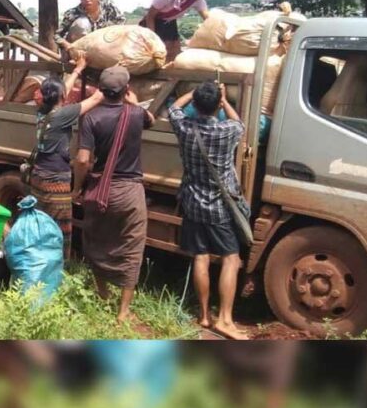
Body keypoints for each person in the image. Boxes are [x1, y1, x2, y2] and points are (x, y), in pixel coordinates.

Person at [72, 65, 155, 323]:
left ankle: (102, 293)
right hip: (130, 191)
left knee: (96, 242)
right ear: (126, 90)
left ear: (100, 90)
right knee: (132, 247)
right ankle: (123, 311)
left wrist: (77, 187)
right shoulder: (137, 114)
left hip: (101, 190)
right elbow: (150, 120)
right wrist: (136, 102)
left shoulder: (91, 119)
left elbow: (83, 159)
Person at [169, 81, 248, 339]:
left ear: (196, 104)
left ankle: (204, 315)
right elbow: (239, 123)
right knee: (231, 258)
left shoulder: (184, 128)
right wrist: (224, 99)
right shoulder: (227, 131)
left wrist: (192, 94)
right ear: (217, 106)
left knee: (200, 257)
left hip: (192, 203)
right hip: (218, 208)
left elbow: (172, 109)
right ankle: (225, 319)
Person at [30, 55, 105, 259]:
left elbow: (62, 89)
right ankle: (57, 263)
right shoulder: (63, 115)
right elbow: (97, 98)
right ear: (61, 97)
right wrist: (113, 75)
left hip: (38, 174)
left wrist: (78, 69)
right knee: (60, 224)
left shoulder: (43, 112)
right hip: (55, 179)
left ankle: (37, 255)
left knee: (42, 218)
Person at [140, 0, 216, 61]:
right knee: (153, 53)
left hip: (169, 24)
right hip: (152, 24)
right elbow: (150, 16)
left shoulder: (198, 0)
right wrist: (152, 37)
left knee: (174, 53)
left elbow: (207, 17)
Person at [57, 0, 125, 47]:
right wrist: (69, 47)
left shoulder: (109, 7)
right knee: (81, 24)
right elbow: (57, 36)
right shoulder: (72, 14)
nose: (87, 0)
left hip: (105, 47)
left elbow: (122, 24)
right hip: (80, 52)